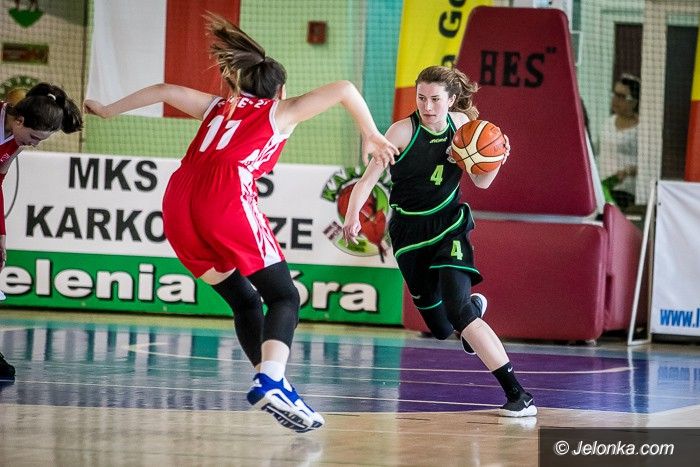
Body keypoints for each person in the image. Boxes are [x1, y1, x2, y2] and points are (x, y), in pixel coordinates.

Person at [84, 15, 398, 433]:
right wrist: (371, 134)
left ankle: (274, 383)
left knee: (246, 300)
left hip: (178, 199)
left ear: (240, 85)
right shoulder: (279, 111)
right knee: (285, 296)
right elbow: (344, 88)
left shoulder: (218, 106)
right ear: (280, 90)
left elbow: (164, 89)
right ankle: (271, 380)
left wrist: (108, 110)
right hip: (225, 196)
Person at [342, 65, 536, 417]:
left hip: (449, 225)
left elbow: (482, 183)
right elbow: (368, 180)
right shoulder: (401, 132)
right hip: (408, 234)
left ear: (451, 99)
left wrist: (496, 158)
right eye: (421, 98)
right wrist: (352, 215)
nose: (427, 106)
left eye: (434, 99)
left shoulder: (464, 128)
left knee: (459, 313)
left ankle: (518, 395)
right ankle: (471, 310)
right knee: (442, 327)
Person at [1, 82, 83, 379]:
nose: (34, 144)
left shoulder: (15, 141)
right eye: (34, 137)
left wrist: (1, 236)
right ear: (18, 120)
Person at [598, 73, 640, 210]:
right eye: (615, 94)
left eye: (621, 97)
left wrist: (629, 171)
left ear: (634, 102)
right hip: (602, 189)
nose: (615, 100)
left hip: (626, 193)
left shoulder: (642, 128)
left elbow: (649, 164)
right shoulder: (607, 123)